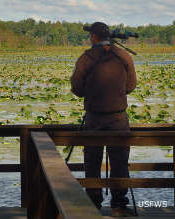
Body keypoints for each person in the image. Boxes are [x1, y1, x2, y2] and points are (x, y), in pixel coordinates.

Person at [70, 22, 137, 217]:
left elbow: (76, 88)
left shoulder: (86, 58)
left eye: (90, 35)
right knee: (120, 161)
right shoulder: (123, 55)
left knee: (92, 161)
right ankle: (119, 205)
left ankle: (93, 204)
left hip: (94, 118)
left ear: (93, 37)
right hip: (118, 118)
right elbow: (131, 86)